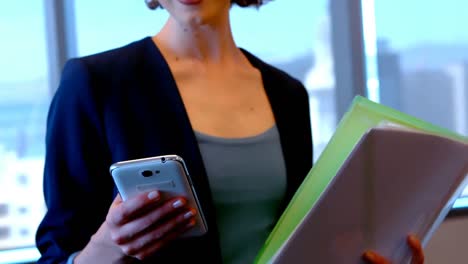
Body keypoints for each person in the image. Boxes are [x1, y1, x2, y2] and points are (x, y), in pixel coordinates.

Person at [35, 0, 424, 263]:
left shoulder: (286, 93)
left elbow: (294, 241)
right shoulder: (96, 84)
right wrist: (110, 243)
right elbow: (57, 253)